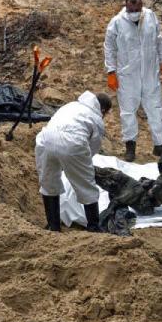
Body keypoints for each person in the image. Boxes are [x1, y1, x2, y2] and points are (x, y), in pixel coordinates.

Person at [104, 0, 162, 163]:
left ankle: (159, 144)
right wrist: (111, 71)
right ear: (126, 7)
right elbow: (109, 48)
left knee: (155, 108)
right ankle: (130, 146)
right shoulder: (117, 23)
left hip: (150, 72)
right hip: (127, 75)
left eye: (137, 9)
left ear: (142, 6)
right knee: (128, 111)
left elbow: (158, 40)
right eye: (131, 9)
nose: (134, 12)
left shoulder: (150, 16)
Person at [36, 91, 113, 233]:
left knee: (48, 182)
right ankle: (93, 227)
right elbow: (92, 148)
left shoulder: (71, 105)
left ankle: (53, 226)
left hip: (45, 139)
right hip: (73, 143)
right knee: (86, 185)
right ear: (103, 110)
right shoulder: (96, 118)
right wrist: (78, 165)